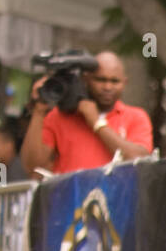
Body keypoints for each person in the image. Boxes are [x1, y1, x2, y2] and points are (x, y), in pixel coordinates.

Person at [21, 51, 152, 177]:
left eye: (114, 81)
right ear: (86, 79)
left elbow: (139, 159)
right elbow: (33, 167)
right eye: (100, 80)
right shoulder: (59, 116)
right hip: (71, 198)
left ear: (124, 82)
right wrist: (39, 111)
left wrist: (96, 122)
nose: (107, 87)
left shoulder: (136, 117)